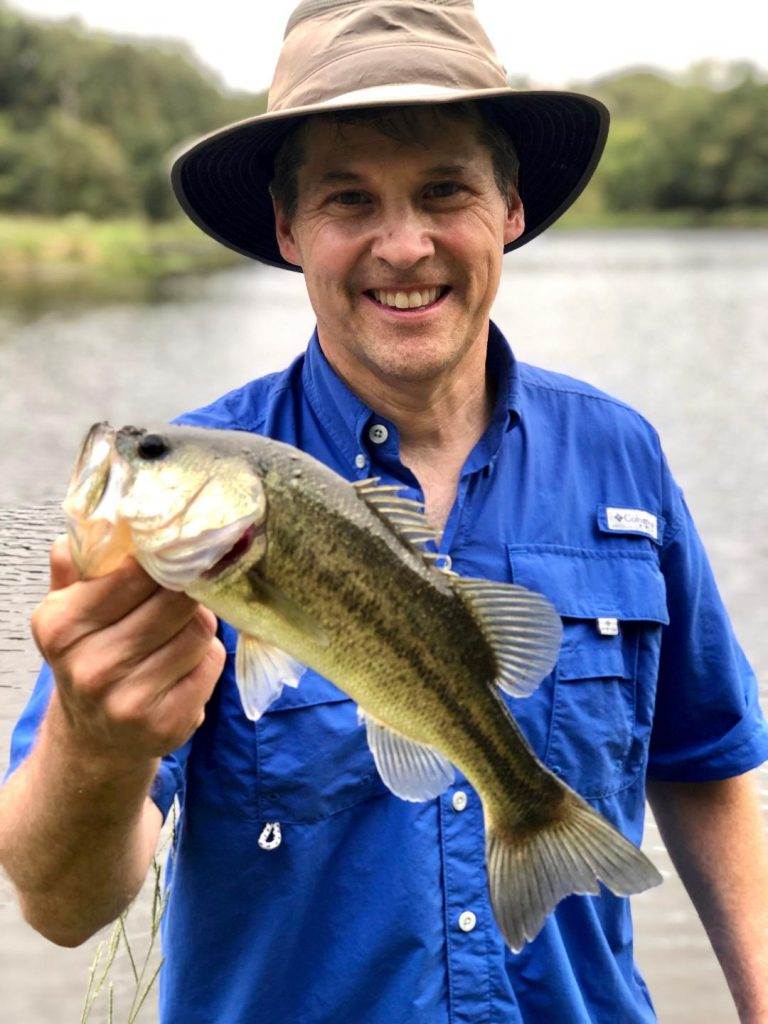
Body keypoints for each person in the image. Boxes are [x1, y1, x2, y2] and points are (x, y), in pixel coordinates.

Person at [1, 1, 767, 1021]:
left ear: (510, 209)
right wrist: (96, 747)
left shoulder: (623, 453)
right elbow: (60, 905)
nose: (403, 245)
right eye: (349, 199)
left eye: (444, 190)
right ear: (289, 229)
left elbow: (706, 763)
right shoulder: (178, 519)